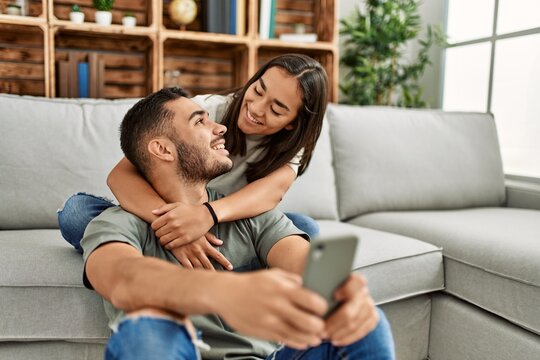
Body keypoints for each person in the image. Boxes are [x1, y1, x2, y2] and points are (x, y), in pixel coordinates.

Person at [81, 87, 395, 359]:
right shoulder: (117, 224)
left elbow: (301, 261)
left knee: (369, 321)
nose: (220, 128)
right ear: (163, 149)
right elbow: (123, 279)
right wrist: (224, 291)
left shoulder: (248, 214)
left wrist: (338, 292)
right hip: (179, 351)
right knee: (145, 331)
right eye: (200, 121)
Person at [59, 54, 327, 272]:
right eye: (258, 90)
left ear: (293, 122)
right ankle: (213, 266)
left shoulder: (292, 147)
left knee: (304, 229)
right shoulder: (209, 109)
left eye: (277, 109)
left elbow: (270, 194)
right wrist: (175, 232)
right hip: (162, 213)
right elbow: (120, 175)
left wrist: (205, 215)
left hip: (227, 226)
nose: (256, 108)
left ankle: (189, 262)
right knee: (77, 212)